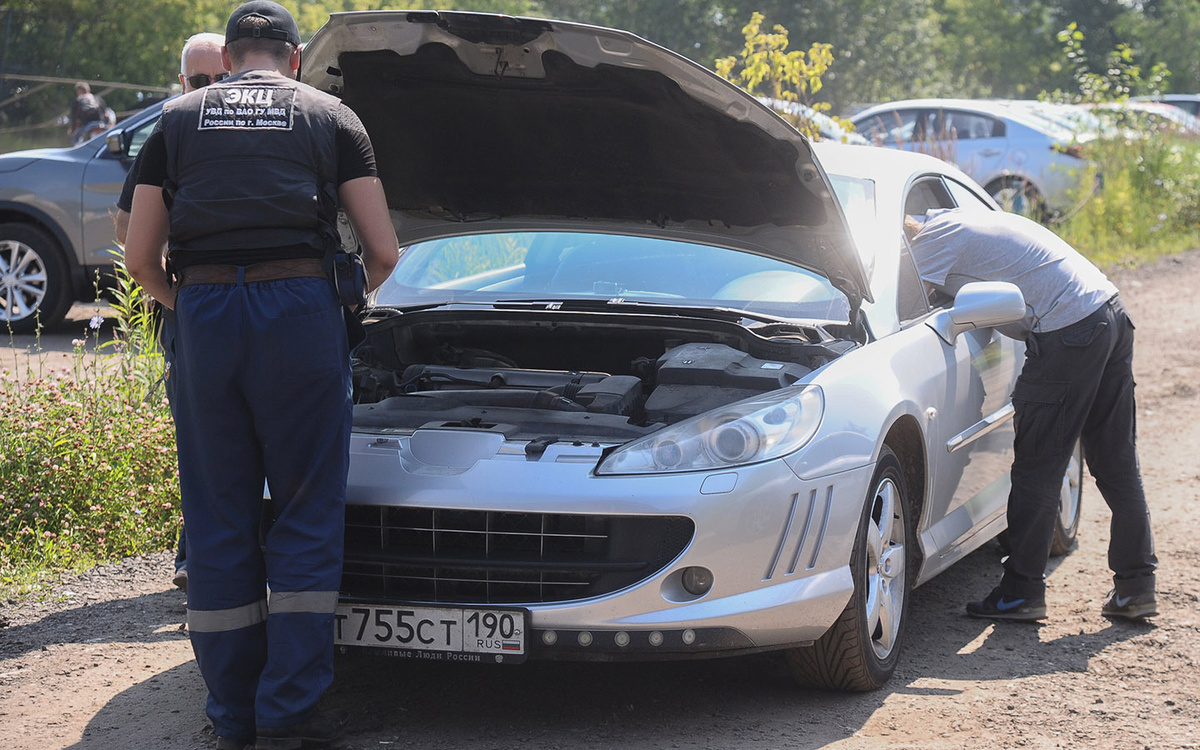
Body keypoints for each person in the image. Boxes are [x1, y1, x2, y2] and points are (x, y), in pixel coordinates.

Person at [123, 3, 399, 749]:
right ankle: (287, 716)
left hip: (205, 312)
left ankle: (231, 715)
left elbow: (141, 259)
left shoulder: (177, 120)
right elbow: (384, 250)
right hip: (299, 312)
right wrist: (333, 303)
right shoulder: (330, 116)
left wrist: (193, 306)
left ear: (233, 54)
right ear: (294, 57)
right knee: (307, 512)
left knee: (218, 513)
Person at [905, 208, 1157, 623]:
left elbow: (905, 310)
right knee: (1117, 461)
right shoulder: (959, 218)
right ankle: (1137, 587)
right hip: (1109, 311)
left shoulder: (929, 244)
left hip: (1069, 330)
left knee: (1038, 467)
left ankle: (1021, 592)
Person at [115, 32, 229, 593]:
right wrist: (175, 296)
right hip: (193, 311)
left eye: (219, 80)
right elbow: (126, 227)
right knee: (202, 438)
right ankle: (194, 556)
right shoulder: (173, 130)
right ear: (182, 83)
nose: (210, 90)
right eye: (199, 82)